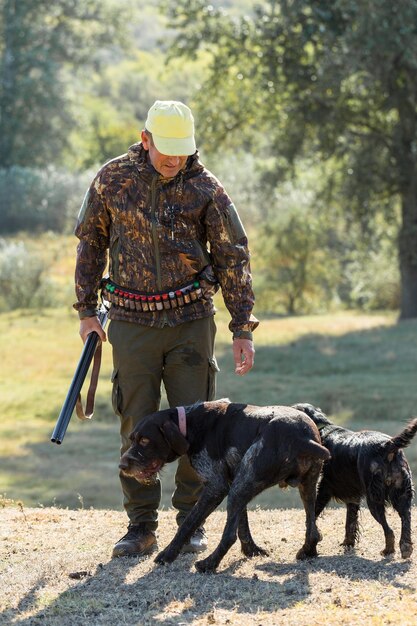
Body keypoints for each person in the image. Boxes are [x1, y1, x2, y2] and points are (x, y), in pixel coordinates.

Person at [74, 100, 259, 558]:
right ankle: (140, 527)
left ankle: (191, 523)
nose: (174, 160)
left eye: (182, 152)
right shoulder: (112, 179)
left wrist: (242, 326)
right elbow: (91, 243)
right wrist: (85, 310)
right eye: (165, 151)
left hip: (191, 323)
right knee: (136, 422)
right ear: (146, 139)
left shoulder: (206, 187)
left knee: (195, 424)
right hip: (131, 322)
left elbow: (233, 254)